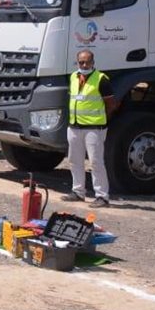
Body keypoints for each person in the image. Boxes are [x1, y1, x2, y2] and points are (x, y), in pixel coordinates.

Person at [63, 49, 115, 207]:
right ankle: (78, 192)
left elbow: (110, 104)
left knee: (96, 162)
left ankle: (102, 196)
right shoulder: (73, 77)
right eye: (81, 62)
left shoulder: (101, 79)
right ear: (77, 62)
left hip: (94, 128)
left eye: (87, 62)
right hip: (74, 126)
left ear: (93, 62)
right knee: (74, 160)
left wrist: (102, 120)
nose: (84, 65)